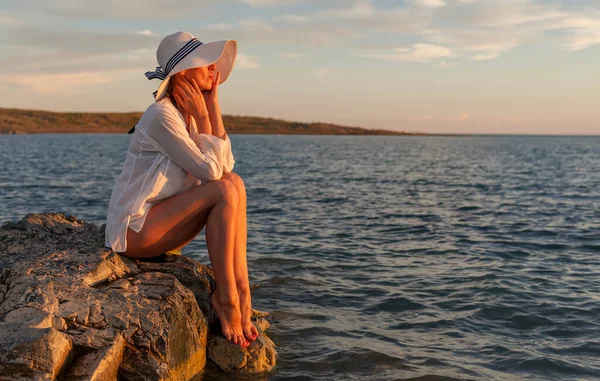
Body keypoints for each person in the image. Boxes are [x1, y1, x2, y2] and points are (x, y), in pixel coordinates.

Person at [104, 32, 258, 348]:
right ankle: (227, 297)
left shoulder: (186, 114)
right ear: (184, 73)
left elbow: (226, 167)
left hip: (161, 225)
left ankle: (241, 288)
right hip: (134, 231)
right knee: (224, 191)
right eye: (206, 64)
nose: (214, 69)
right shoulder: (162, 115)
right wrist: (203, 114)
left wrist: (211, 105)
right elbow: (211, 172)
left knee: (235, 183)